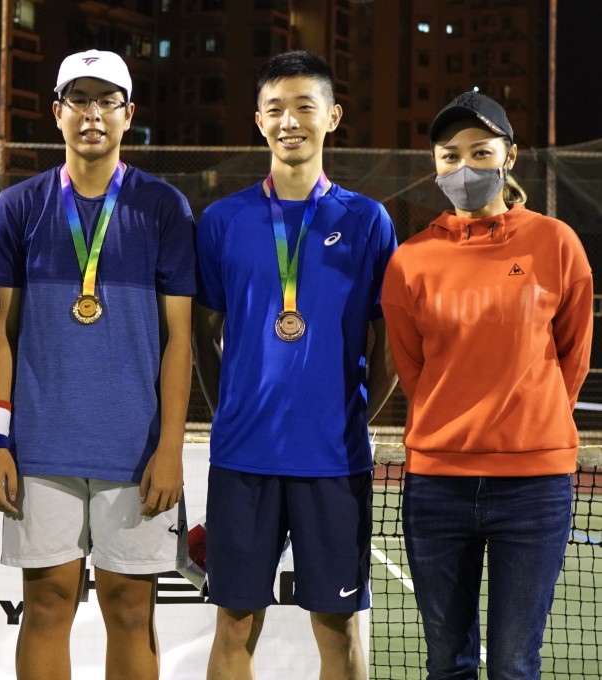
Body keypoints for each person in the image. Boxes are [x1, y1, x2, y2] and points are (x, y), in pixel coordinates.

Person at [0, 49, 196, 679]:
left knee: (130, 607)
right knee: (47, 604)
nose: (92, 114)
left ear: (129, 115)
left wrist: (172, 447)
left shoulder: (164, 207)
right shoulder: (18, 207)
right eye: (79, 100)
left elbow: (178, 339)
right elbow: (1, 332)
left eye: (107, 102)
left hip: (136, 448)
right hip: (40, 448)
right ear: (56, 113)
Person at [193, 50, 398, 679]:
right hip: (242, 460)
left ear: (331, 117)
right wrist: (224, 406)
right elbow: (205, 327)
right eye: (275, 108)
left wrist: (358, 415)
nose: (290, 121)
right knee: (233, 627)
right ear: (258, 121)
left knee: (337, 633)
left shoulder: (366, 220)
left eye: (304, 106)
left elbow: (387, 333)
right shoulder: (223, 220)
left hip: (333, 463)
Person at [380, 91, 593, 680]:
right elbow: (412, 367)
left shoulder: (555, 243)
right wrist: (451, 423)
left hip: (534, 489)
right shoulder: (410, 260)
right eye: (449, 156)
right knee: (446, 663)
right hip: (437, 487)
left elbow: (573, 356)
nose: (464, 167)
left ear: (510, 157)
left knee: (514, 664)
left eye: (480, 152)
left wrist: (534, 423)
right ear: (435, 164)